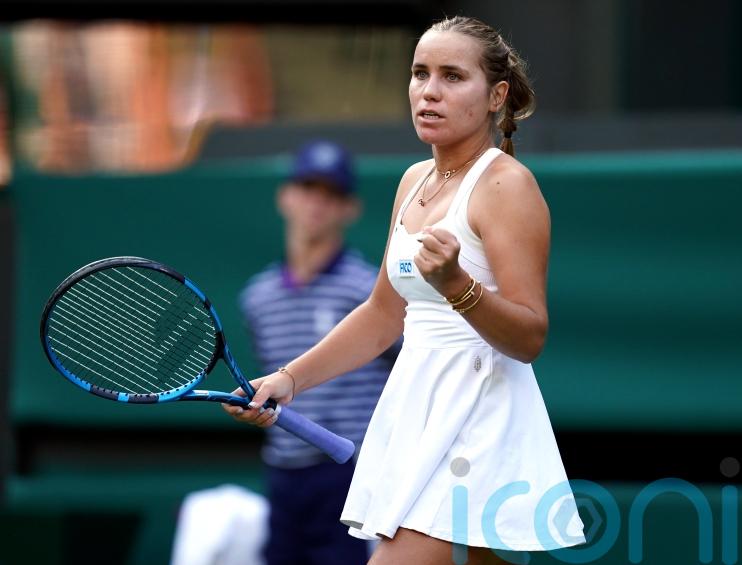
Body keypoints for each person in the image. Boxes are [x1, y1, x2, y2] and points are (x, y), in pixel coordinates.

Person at [226, 16, 587, 564]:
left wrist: (457, 285)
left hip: (477, 423)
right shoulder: (412, 180)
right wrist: (289, 379)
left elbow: (529, 335)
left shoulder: (506, 185)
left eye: (452, 76)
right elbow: (380, 316)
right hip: (418, 414)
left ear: (496, 96)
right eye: (420, 74)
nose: (429, 91)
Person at [237, 139, 398, 565]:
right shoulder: (257, 298)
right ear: (285, 197)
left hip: (351, 474)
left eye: (332, 194)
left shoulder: (370, 294)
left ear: (350, 209)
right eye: (309, 188)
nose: (318, 204)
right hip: (283, 475)